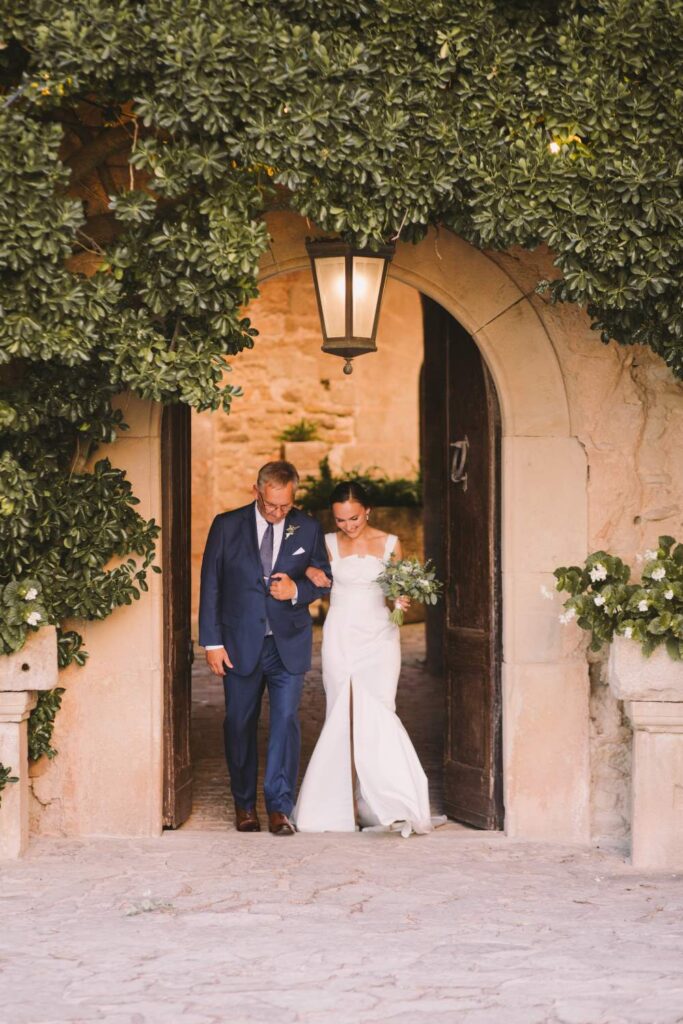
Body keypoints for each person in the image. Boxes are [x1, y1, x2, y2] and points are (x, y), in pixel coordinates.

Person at [294, 481, 445, 837]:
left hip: (380, 636)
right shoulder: (327, 544)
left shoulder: (391, 543)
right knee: (340, 712)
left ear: (368, 511)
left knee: (379, 709)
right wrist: (311, 575)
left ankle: (387, 801)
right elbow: (314, 579)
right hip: (341, 635)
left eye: (354, 518)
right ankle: (338, 805)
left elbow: (400, 588)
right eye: (341, 519)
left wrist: (401, 601)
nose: (348, 526)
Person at [198, 461, 332, 836]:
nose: (277, 513)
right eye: (271, 505)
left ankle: (279, 807)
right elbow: (211, 585)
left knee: (286, 723)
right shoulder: (226, 526)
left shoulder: (307, 527)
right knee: (238, 724)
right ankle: (243, 804)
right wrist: (212, 641)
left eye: (285, 507)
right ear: (255, 490)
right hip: (239, 645)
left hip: (288, 642)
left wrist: (297, 591)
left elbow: (323, 579)